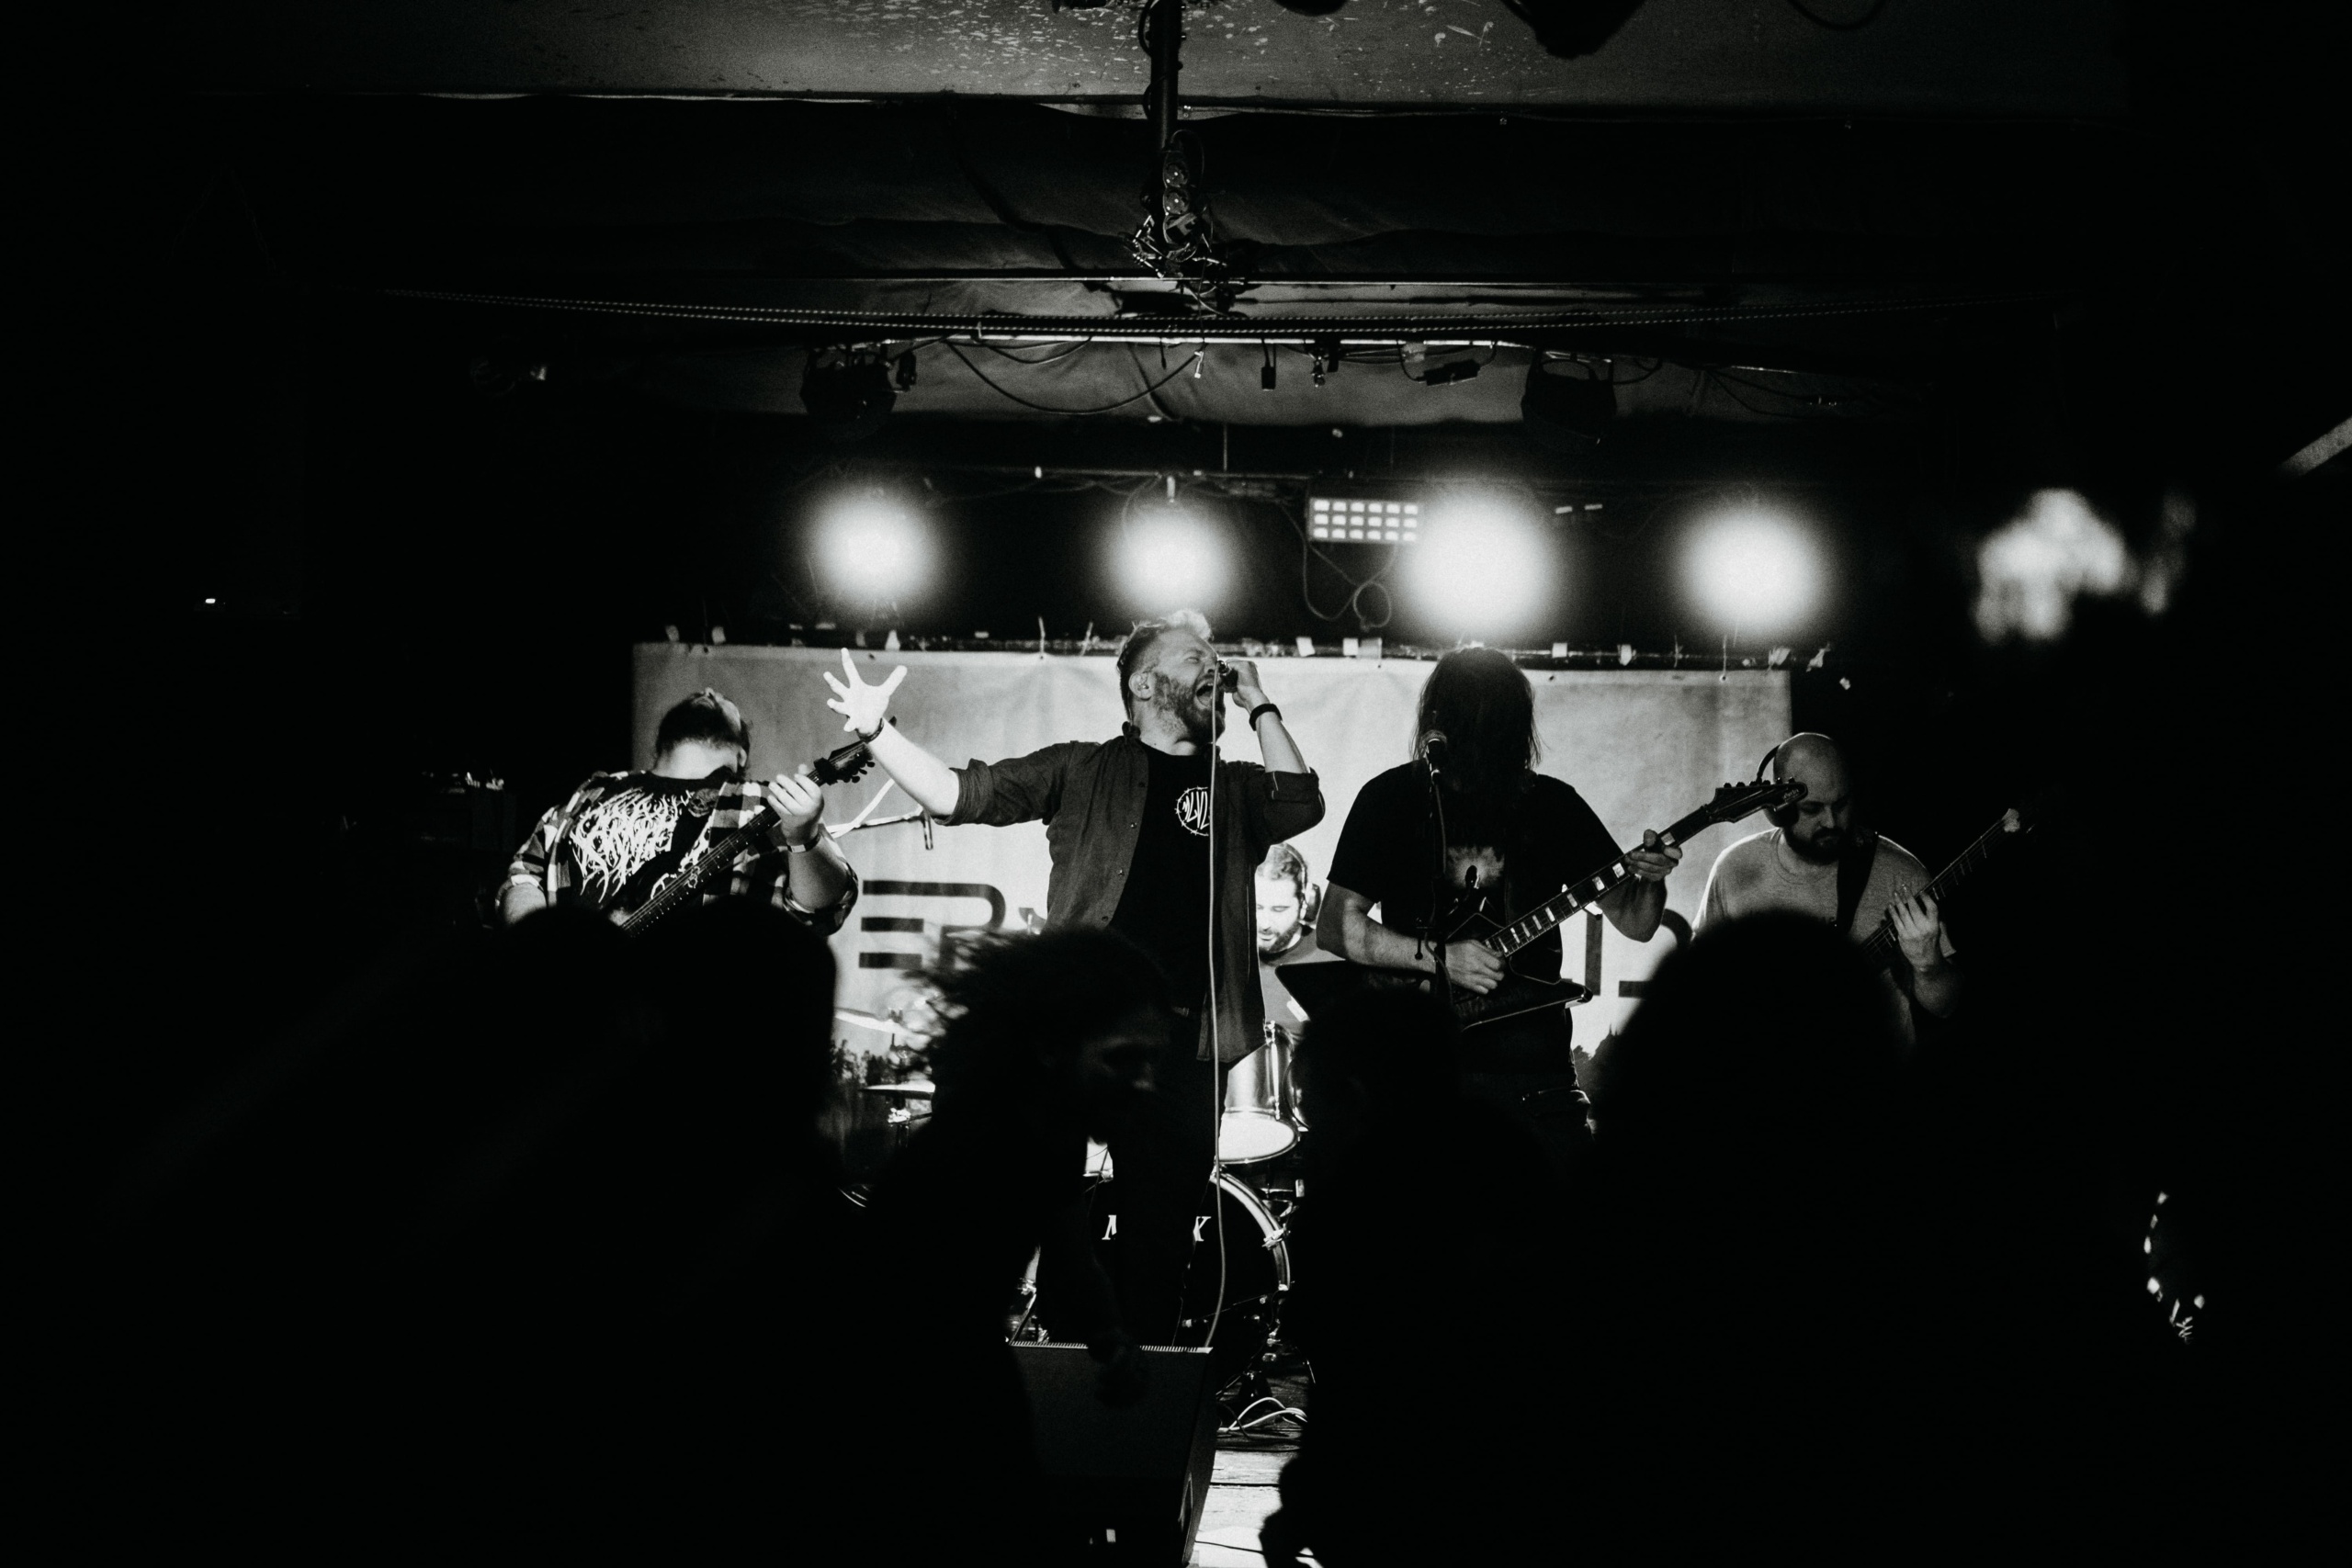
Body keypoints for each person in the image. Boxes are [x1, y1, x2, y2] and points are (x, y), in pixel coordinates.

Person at [820, 614, 1323, 1343]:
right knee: (1058, 1223)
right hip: (1075, 1042)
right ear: (1145, 683)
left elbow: (1301, 802)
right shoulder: (1082, 768)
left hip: (1185, 1049)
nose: (1215, 666)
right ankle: (1057, 1380)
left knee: (1159, 1248)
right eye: (1195, 656)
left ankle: (1140, 1387)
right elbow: (960, 794)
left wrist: (1260, 703)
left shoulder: (1238, 785)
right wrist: (875, 731)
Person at [849, 931, 1169, 1559]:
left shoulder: (1048, 1126)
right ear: (1052, 1048)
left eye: (1153, 1061)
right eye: (1125, 1059)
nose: (1146, 1082)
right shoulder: (978, 1154)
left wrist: (1110, 1336)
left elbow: (1070, 1247)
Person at [1314, 647, 1682, 1165]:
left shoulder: (1552, 805)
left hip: (1533, 1076)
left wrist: (1652, 879)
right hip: (1419, 1071)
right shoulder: (1392, 798)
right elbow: (1335, 927)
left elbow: (1639, 923)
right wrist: (1442, 957)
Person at [499, 686, 856, 931]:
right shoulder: (596, 789)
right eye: (703, 694)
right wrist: (543, 952)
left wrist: (804, 837)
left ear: (741, 754)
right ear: (658, 741)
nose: (710, 691)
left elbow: (824, 910)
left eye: (722, 700)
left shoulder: (765, 802)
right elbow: (523, 874)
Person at [1696, 731, 1959, 1034]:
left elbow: (1947, 1007)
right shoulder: (1734, 868)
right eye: (1812, 809)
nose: (1831, 822)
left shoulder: (1901, 873)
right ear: (1779, 809)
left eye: (1841, 804)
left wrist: (1929, 966)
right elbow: (1699, 986)